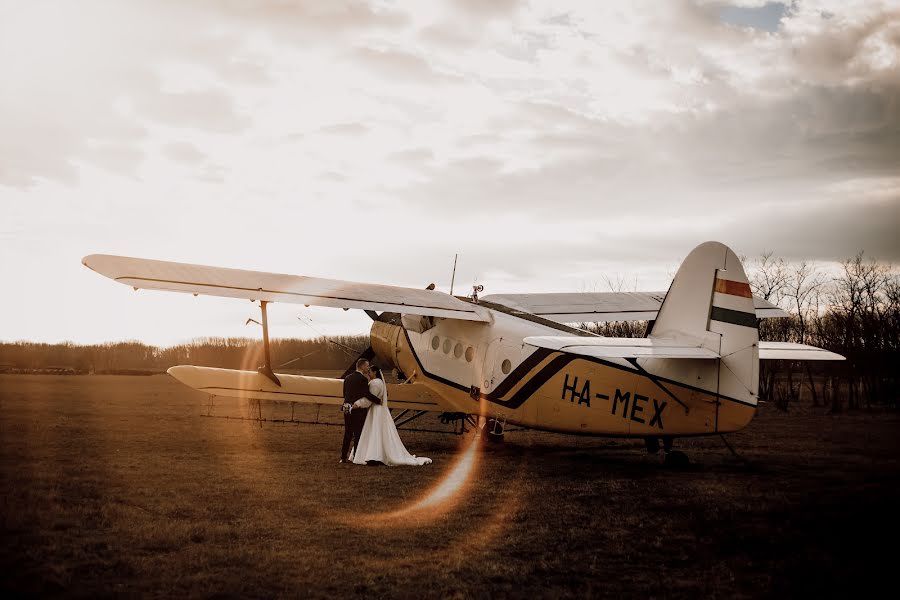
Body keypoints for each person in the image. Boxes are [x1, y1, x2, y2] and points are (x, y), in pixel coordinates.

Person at [351, 365, 432, 466]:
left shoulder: (375, 383)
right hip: (380, 410)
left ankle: (374, 456)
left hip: (376, 411)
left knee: (375, 431)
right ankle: (376, 455)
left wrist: (357, 404)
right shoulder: (379, 383)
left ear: (375, 372)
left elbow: (369, 400)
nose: (368, 373)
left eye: (370, 372)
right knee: (379, 432)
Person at [340, 358, 382, 463]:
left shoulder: (347, 378)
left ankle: (343, 457)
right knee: (358, 433)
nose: (368, 368)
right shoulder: (363, 379)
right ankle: (356, 457)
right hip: (357, 410)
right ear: (362, 366)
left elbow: (344, 394)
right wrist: (377, 400)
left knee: (348, 433)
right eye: (367, 366)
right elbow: (366, 394)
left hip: (346, 407)